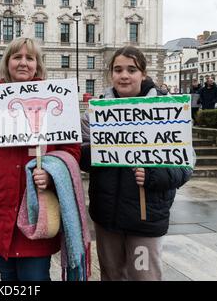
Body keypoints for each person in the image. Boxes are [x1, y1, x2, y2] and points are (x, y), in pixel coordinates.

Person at [0, 37, 81, 281]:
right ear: (7, 63)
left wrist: (52, 173)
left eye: (29, 58)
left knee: (35, 279)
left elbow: (72, 150)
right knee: (7, 279)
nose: (23, 63)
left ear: (38, 65)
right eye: (17, 57)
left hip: (36, 206)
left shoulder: (56, 99)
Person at [80, 46, 192, 281]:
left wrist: (153, 175)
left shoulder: (167, 108)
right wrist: (98, 151)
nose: (124, 75)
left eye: (132, 69)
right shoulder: (96, 111)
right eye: (118, 69)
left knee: (144, 276)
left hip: (146, 220)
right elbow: (82, 158)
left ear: (143, 73)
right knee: (111, 276)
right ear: (111, 74)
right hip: (107, 218)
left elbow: (185, 166)